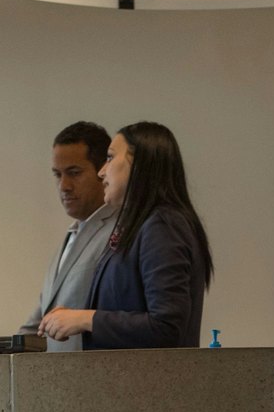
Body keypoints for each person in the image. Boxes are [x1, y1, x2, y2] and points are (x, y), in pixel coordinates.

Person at [39, 121, 214, 349]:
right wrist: (76, 317)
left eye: (110, 157)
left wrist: (85, 319)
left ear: (139, 164)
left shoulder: (163, 225)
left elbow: (166, 326)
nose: (102, 171)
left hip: (150, 373)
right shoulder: (141, 225)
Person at [19, 121, 118, 352]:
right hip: (56, 372)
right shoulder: (71, 236)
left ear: (103, 171)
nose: (64, 186)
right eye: (57, 174)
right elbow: (39, 324)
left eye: (74, 173)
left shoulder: (121, 231)